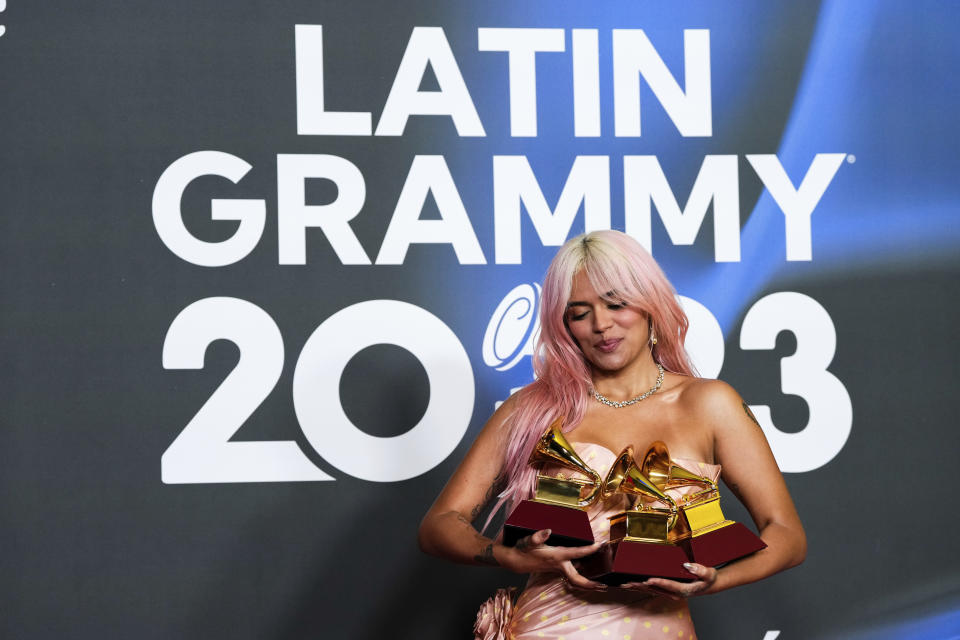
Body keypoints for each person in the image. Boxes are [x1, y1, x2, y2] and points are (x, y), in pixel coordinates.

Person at [418, 230, 806, 639]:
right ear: (564, 324)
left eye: (616, 303)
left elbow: (786, 534)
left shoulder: (709, 404)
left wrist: (715, 580)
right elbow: (439, 525)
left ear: (650, 304)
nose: (601, 325)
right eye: (579, 312)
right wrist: (506, 555)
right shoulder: (533, 410)